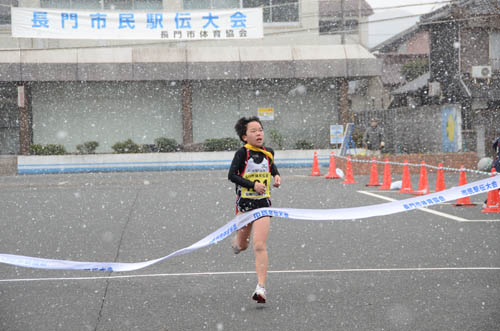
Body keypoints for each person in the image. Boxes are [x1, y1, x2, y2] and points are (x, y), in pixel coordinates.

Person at [228, 116, 281, 304]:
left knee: (259, 244)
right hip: (244, 205)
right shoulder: (242, 154)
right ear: (244, 137)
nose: (259, 133)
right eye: (253, 131)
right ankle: (236, 243)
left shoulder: (269, 152)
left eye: (260, 129)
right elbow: (232, 175)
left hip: (263, 205)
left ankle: (261, 287)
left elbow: (272, 167)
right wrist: (252, 185)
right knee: (243, 245)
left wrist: (276, 177)